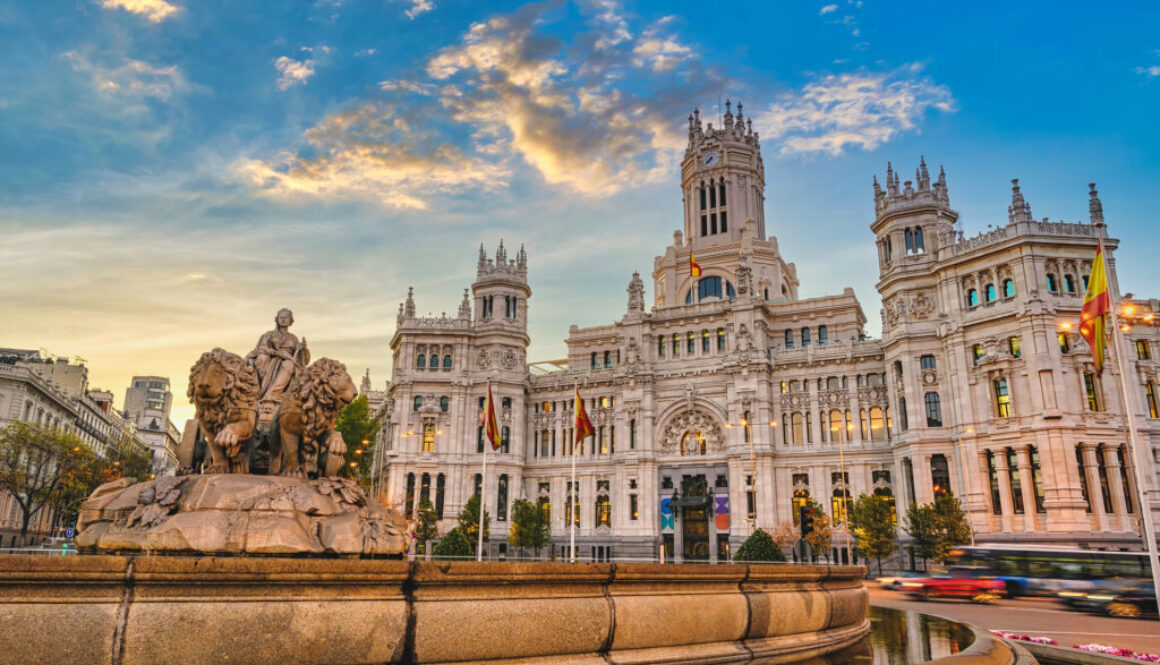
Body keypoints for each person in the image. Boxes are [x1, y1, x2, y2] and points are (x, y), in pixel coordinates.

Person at [246, 308, 309, 424]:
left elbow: (301, 359)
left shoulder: (293, 338)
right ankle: (262, 393)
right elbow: (260, 348)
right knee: (261, 359)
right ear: (277, 319)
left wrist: (303, 349)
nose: (284, 319)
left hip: (287, 361)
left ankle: (273, 394)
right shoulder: (268, 335)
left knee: (289, 365)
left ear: (291, 321)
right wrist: (273, 352)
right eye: (281, 317)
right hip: (269, 357)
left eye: (286, 318)